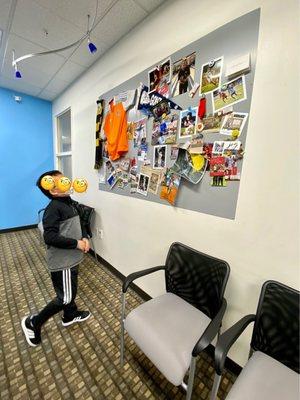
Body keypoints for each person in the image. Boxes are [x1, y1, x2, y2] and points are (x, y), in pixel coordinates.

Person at [21, 170, 91, 347]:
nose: (68, 182)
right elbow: (50, 237)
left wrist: (84, 237)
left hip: (72, 259)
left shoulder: (69, 202)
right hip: (63, 262)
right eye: (62, 182)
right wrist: (76, 243)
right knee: (65, 297)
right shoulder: (53, 208)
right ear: (53, 190)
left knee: (70, 289)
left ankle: (70, 315)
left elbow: (80, 221)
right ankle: (33, 322)